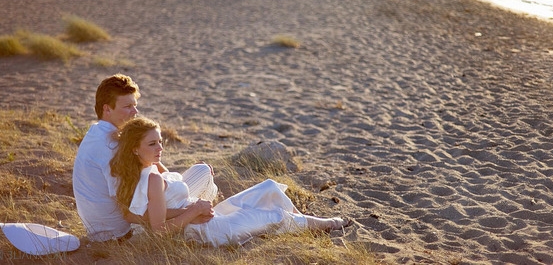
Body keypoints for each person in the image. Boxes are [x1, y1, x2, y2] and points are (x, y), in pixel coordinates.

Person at [111, 116, 348, 246]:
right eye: (152, 144)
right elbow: (159, 230)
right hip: (210, 232)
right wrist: (193, 211)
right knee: (276, 215)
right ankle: (328, 224)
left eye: (160, 141)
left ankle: (301, 226)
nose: (160, 147)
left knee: (268, 188)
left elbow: (157, 211)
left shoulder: (151, 167)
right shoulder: (151, 179)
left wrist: (192, 208)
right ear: (134, 149)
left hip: (208, 218)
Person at [72, 74, 217, 242]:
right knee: (203, 174)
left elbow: (155, 178)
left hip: (102, 230)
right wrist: (190, 212)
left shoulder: (97, 132)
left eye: (135, 105)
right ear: (107, 109)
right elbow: (131, 212)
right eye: (127, 106)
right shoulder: (112, 147)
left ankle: (202, 213)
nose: (135, 112)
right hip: (122, 234)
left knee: (199, 172)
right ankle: (200, 223)